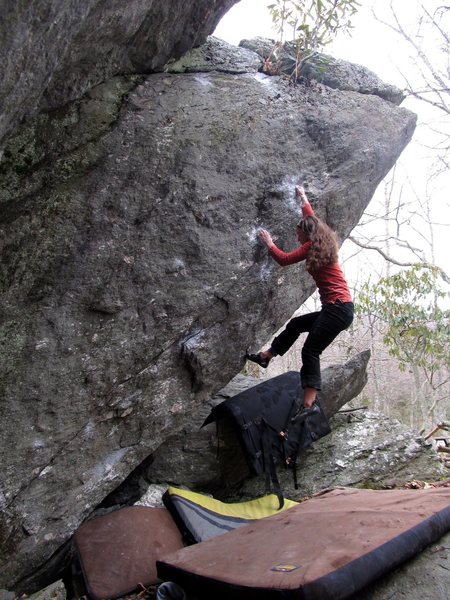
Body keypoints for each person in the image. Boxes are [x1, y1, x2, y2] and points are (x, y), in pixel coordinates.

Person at [246, 185, 354, 413]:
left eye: (299, 233)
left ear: (307, 235)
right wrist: (303, 198)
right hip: (338, 309)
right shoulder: (321, 241)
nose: (297, 236)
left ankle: (309, 401)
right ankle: (267, 356)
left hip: (337, 310)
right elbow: (311, 218)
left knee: (310, 351)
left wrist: (269, 243)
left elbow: (284, 259)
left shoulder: (311, 246)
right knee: (296, 325)